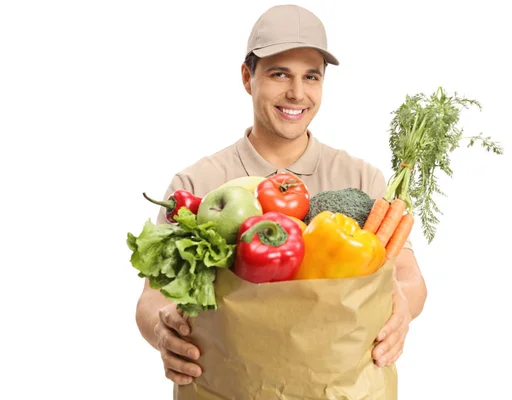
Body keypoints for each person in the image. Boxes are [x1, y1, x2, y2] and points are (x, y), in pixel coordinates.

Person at [135, 4, 427, 387]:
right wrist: (163, 328)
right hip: (230, 387)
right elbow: (152, 296)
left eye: (311, 77)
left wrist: (402, 307)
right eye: (279, 74)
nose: (297, 93)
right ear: (247, 77)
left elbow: (409, 277)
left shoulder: (360, 177)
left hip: (339, 388)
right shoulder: (197, 182)